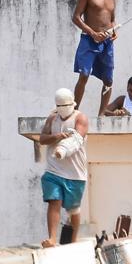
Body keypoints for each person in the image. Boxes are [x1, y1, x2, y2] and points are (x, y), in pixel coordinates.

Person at [37, 88, 89, 247]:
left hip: (75, 174)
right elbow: (43, 139)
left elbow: (77, 139)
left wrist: (63, 150)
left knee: (73, 210)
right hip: (54, 171)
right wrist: (56, 137)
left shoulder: (80, 118)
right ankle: (52, 238)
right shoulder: (52, 119)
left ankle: (73, 241)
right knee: (54, 201)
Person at [71, 0, 117, 115]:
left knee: (108, 80)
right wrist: (93, 33)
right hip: (89, 40)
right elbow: (76, 17)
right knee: (84, 75)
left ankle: (102, 114)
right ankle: (74, 112)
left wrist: (114, 31)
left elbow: (112, 20)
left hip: (107, 43)